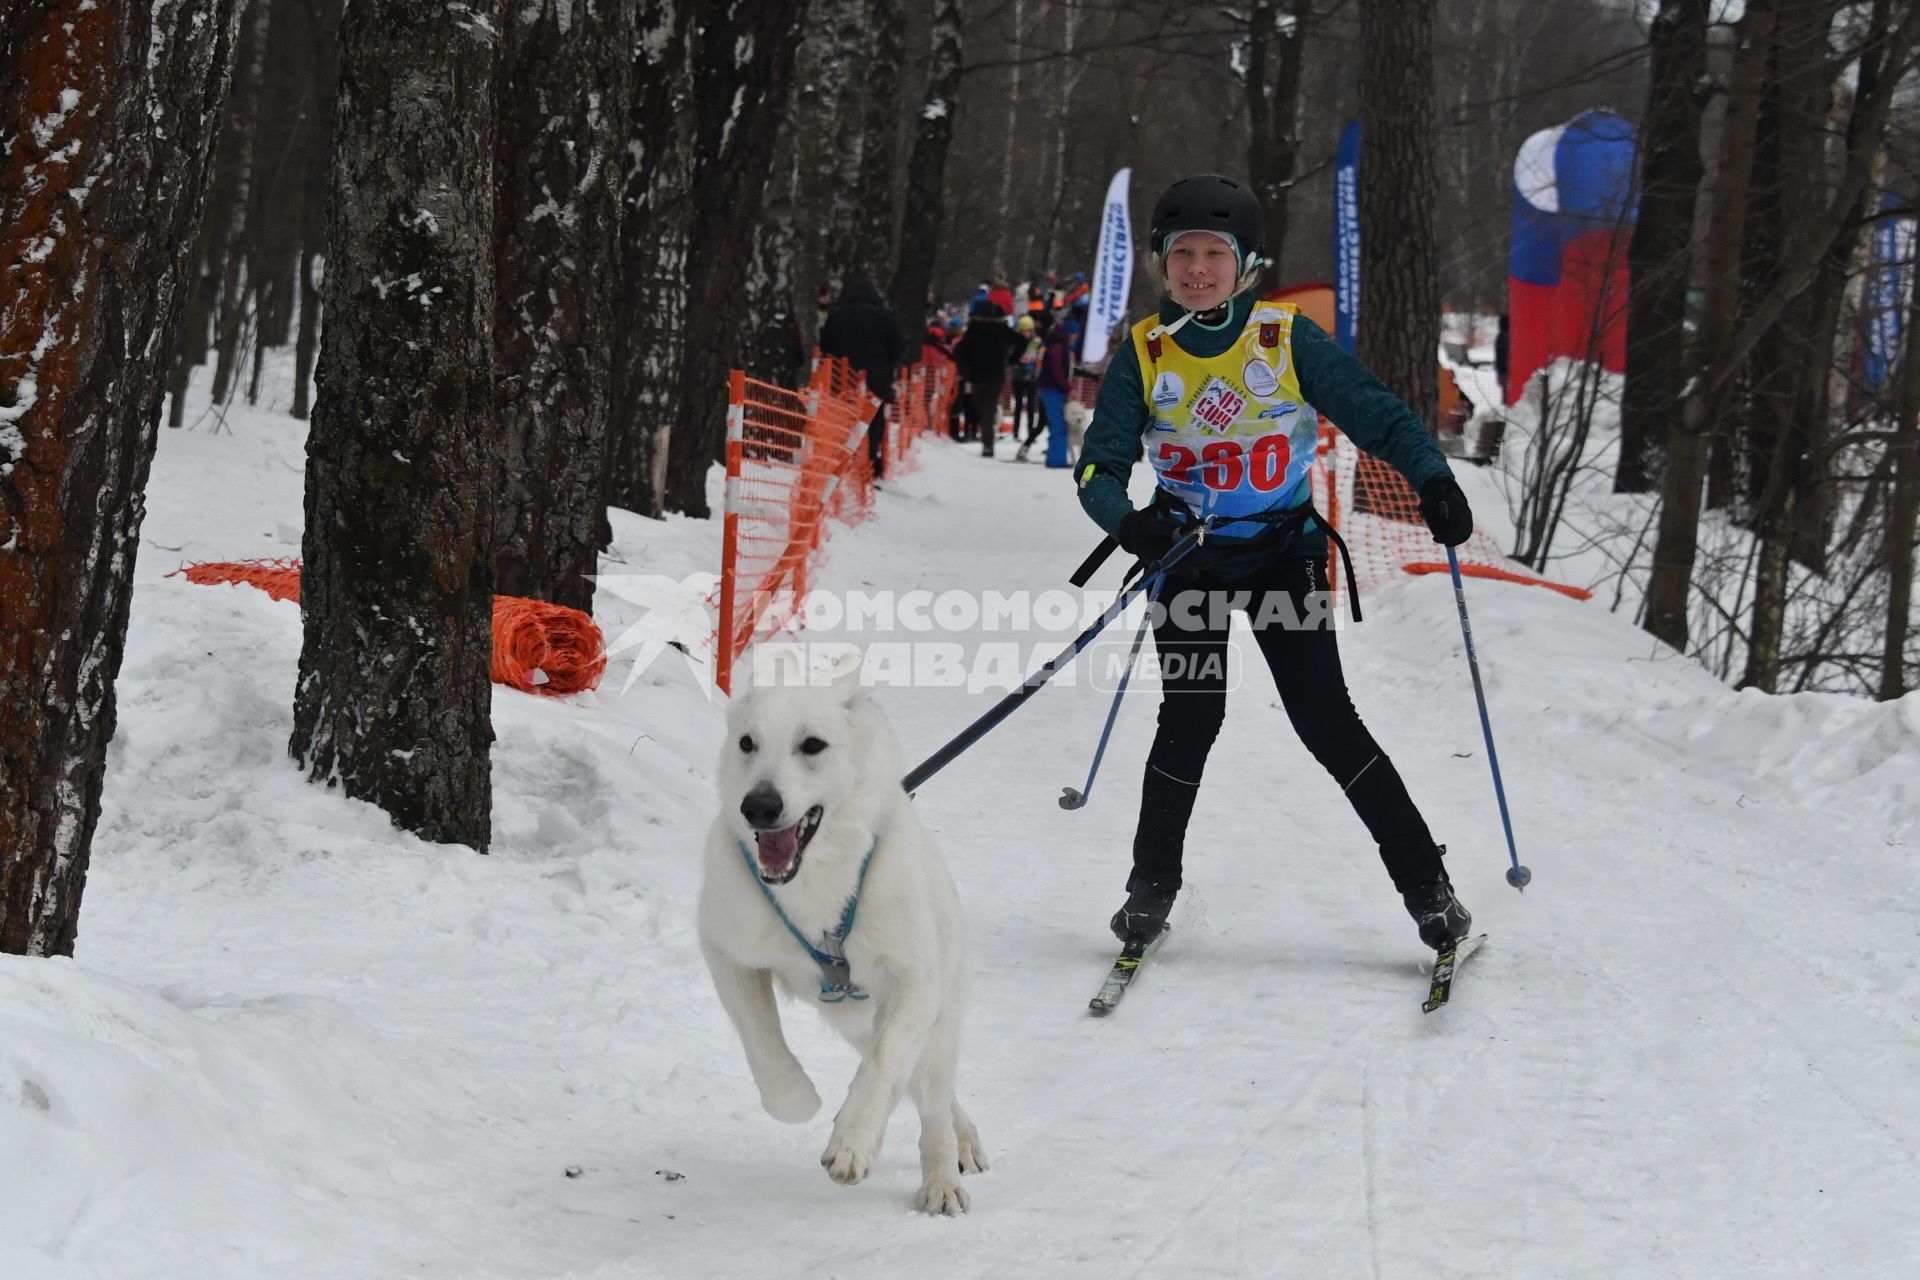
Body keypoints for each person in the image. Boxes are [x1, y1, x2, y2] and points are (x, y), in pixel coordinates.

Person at [1072, 173, 1478, 953]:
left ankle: (1428, 887)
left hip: (1283, 556)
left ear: (1245, 263)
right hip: (1188, 561)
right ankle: (1150, 888)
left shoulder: (1285, 338)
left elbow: (1377, 414)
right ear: (1160, 260)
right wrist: (1132, 528)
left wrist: (1433, 477)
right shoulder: (1144, 352)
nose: (1197, 269)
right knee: (1191, 717)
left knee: (1326, 719)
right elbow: (1099, 468)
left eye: (1214, 254)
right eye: (1181, 253)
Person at [818, 277, 904, 481]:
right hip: (877, 378)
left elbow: (825, 347)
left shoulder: (837, 316)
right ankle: (869, 461)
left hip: (843, 376)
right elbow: (898, 348)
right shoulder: (885, 318)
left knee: (844, 419)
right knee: (873, 420)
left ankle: (843, 459)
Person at [951, 297, 1018, 456]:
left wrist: (964, 367)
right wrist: (1012, 359)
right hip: (992, 374)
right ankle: (987, 437)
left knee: (984, 407)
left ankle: (988, 443)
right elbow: (1020, 341)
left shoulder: (975, 329)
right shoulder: (999, 329)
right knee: (985, 408)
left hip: (979, 374)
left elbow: (960, 350)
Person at [1009, 315, 1042, 443]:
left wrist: (1034, 373)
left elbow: (1037, 359)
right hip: (1017, 376)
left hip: (1031, 377)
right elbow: (1012, 359)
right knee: (1018, 404)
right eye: (1023, 330)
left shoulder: (1036, 342)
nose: (1026, 333)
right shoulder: (1015, 342)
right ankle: (1015, 432)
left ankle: (1030, 432)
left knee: (1031, 405)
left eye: (1028, 330)